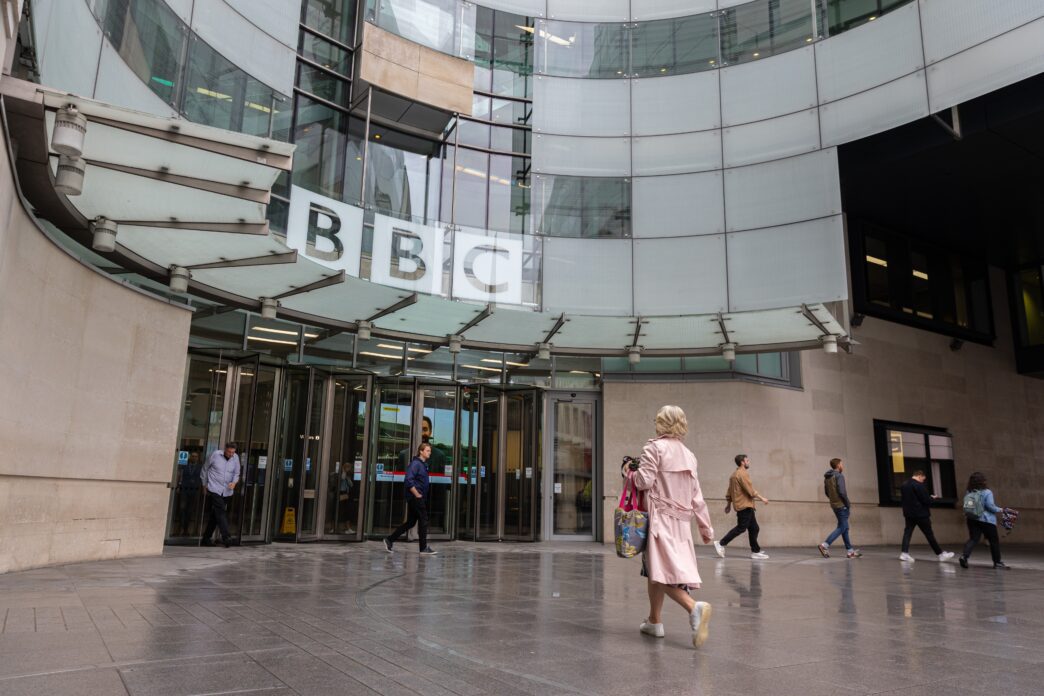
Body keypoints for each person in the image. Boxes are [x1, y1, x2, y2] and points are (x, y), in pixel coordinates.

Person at [630, 405, 715, 649]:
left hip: (659, 520)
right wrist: (705, 527)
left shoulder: (654, 448)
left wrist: (629, 473)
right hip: (682, 523)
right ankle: (654, 621)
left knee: (661, 571)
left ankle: (693, 607)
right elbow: (697, 496)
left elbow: (644, 481)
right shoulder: (690, 455)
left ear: (660, 423)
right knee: (656, 568)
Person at [713, 454, 770, 560]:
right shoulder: (742, 474)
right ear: (742, 462)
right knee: (741, 528)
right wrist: (762, 498)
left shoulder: (733, 475)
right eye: (747, 460)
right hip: (745, 506)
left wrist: (728, 505)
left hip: (745, 505)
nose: (749, 462)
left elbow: (729, 492)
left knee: (754, 528)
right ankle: (720, 543)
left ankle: (755, 551)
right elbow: (750, 490)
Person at [384, 443, 437, 555]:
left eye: (430, 451)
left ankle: (389, 539)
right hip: (415, 497)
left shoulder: (423, 464)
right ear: (421, 451)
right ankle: (423, 548)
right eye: (427, 450)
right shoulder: (416, 464)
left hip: (417, 497)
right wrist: (416, 494)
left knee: (411, 522)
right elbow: (408, 480)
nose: (429, 453)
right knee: (424, 519)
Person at [898, 470, 954, 562]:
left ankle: (904, 553)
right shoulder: (919, 485)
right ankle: (940, 554)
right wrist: (932, 498)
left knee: (907, 533)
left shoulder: (904, 485)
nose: (923, 481)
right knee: (929, 534)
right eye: (923, 479)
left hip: (908, 514)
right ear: (919, 476)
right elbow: (926, 501)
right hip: (921, 514)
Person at [959, 472, 1008, 569]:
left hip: (972, 519)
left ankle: (964, 556)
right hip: (986, 520)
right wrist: (1001, 510)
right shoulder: (987, 492)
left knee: (973, 539)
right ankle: (997, 562)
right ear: (983, 481)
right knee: (994, 541)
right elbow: (990, 507)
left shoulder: (969, 492)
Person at [817, 458, 862, 559]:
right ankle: (824, 545)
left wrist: (834, 500)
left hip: (834, 505)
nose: (843, 466)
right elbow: (842, 492)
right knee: (842, 527)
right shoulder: (839, 476)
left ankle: (850, 551)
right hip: (842, 505)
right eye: (842, 464)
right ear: (838, 465)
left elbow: (827, 492)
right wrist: (847, 503)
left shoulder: (827, 477)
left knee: (844, 527)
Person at [200, 442, 240, 548]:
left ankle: (206, 539)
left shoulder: (235, 458)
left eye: (233, 452)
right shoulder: (215, 455)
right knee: (221, 510)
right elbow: (205, 469)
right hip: (214, 488)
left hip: (227, 490)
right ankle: (226, 537)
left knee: (215, 514)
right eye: (229, 452)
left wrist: (234, 482)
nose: (231, 454)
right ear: (225, 450)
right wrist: (204, 485)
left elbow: (236, 473)